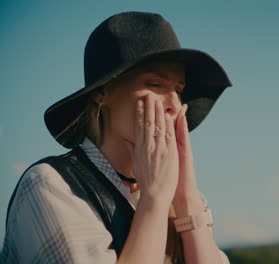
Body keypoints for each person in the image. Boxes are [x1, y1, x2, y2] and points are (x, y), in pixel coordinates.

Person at [1, 11, 232, 264]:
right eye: (155, 84)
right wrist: (153, 201)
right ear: (102, 92)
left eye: (179, 90)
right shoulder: (52, 186)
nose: (174, 105)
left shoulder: (182, 195)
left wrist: (187, 199)